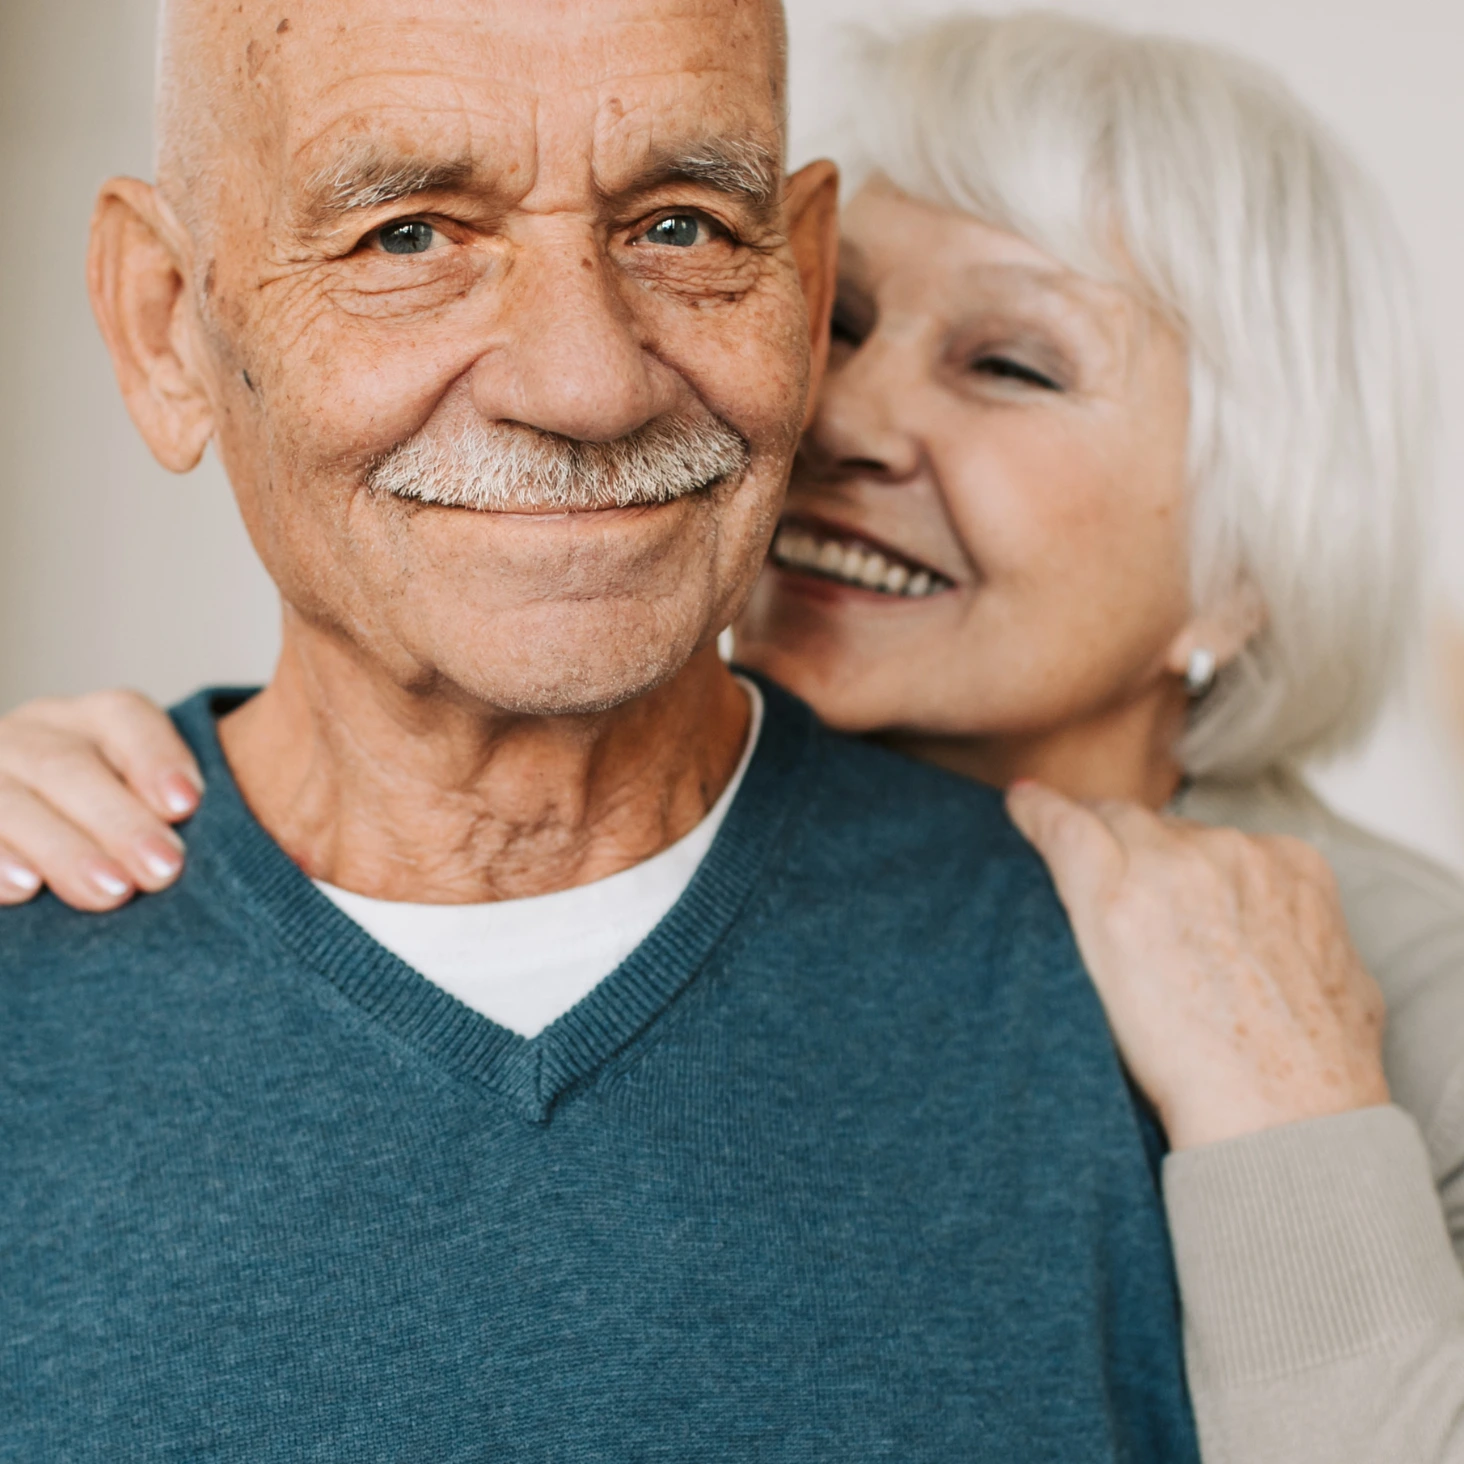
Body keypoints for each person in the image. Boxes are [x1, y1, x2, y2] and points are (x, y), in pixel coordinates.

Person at [7, 10, 1464, 1463]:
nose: (591, 383)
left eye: (684, 226)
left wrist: (1300, 1138)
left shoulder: (1284, 1026)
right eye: (408, 235)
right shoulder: (64, 871)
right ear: (166, 323)